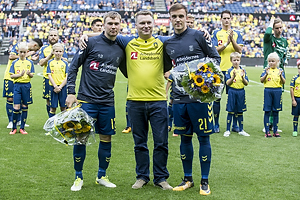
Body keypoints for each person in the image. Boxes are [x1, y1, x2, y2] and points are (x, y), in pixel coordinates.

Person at [66, 11, 126, 192]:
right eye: (110, 23)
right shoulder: (90, 42)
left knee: (106, 138)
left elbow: (130, 71)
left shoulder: (122, 47)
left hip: (107, 102)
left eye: (116, 24)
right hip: (86, 101)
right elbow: (74, 66)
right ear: (104, 25)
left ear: (120, 25)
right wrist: (70, 92)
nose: (113, 27)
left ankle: (102, 175)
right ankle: (78, 177)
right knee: (80, 138)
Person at [164, 4, 220, 195]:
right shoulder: (168, 43)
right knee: (184, 139)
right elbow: (165, 69)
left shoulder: (199, 36)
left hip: (201, 100)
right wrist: (171, 75)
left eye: (181, 16)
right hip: (179, 100)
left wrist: (204, 79)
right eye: (174, 17)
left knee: (204, 138)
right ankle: (188, 178)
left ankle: (205, 181)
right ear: (170, 18)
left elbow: (215, 57)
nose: (178, 20)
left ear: (187, 17)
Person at [211, 10, 243, 133]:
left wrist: (232, 40)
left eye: (228, 18)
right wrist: (226, 43)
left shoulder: (237, 33)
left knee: (233, 98)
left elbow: (239, 50)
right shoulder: (216, 33)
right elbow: (214, 50)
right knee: (217, 98)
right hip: (219, 71)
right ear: (221, 19)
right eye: (224, 18)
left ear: (231, 19)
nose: (226, 20)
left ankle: (234, 124)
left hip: (233, 71)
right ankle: (216, 124)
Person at [3, 38, 42, 129]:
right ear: (35, 46)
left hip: (22, 80)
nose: (34, 51)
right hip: (10, 77)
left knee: (20, 100)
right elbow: (11, 57)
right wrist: (26, 55)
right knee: (10, 98)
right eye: (36, 50)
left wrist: (28, 58)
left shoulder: (26, 53)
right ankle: (10, 121)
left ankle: (19, 120)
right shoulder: (19, 45)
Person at [263, 17, 290, 133]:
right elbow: (267, 34)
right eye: (276, 28)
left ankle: (274, 125)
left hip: (279, 73)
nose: (279, 30)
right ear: (273, 29)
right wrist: (270, 23)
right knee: (269, 101)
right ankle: (267, 125)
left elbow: (285, 55)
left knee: (278, 101)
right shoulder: (269, 39)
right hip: (269, 74)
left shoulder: (284, 41)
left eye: (280, 27)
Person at [39, 28, 68, 117]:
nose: (53, 37)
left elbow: (66, 60)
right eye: (51, 35)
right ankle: (50, 120)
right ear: (48, 37)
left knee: (63, 104)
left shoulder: (63, 47)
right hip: (48, 79)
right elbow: (41, 63)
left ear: (58, 37)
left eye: (55, 35)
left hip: (60, 80)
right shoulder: (44, 48)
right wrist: (50, 55)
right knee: (49, 100)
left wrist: (57, 53)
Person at [9, 42, 35, 135]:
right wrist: (19, 75)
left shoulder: (30, 62)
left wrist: (29, 74)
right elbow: (12, 76)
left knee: (25, 106)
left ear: (27, 52)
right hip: (17, 86)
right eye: (21, 52)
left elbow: (32, 75)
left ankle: (22, 128)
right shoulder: (15, 63)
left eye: (24, 52)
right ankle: (14, 128)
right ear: (18, 52)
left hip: (26, 86)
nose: (23, 54)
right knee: (16, 107)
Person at [223, 52, 249, 137]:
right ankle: (227, 130)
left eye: (238, 60)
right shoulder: (229, 71)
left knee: (240, 111)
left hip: (241, 92)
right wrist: (233, 77)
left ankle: (241, 129)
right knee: (230, 111)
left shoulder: (243, 71)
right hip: (232, 92)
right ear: (231, 61)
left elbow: (246, 83)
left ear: (240, 60)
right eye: (234, 60)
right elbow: (227, 83)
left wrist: (242, 77)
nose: (236, 62)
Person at [260, 52, 285, 138]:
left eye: (273, 61)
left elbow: (283, 82)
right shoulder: (266, 70)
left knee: (276, 111)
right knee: (267, 111)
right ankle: (267, 131)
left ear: (277, 61)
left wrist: (281, 76)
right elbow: (261, 80)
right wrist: (266, 74)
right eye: (269, 61)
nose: (271, 63)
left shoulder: (280, 70)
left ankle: (275, 130)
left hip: (277, 91)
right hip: (268, 91)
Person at [47, 43, 68, 117]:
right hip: (53, 87)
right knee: (53, 108)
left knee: (63, 107)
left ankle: (64, 125)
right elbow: (49, 75)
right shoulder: (50, 62)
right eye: (56, 51)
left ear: (63, 52)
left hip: (62, 87)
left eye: (60, 51)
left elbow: (67, 76)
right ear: (53, 52)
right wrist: (55, 86)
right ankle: (52, 125)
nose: (58, 53)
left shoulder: (65, 63)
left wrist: (60, 87)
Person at [290, 60, 300, 137]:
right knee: (296, 115)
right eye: (299, 68)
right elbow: (291, 89)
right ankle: (295, 130)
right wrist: (293, 100)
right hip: (297, 99)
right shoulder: (294, 78)